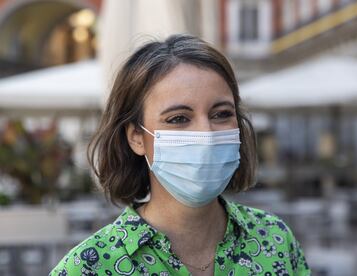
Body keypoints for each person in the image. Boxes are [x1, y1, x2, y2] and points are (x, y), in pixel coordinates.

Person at [50, 34, 310, 276]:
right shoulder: (88, 267)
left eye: (221, 114)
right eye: (178, 119)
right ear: (136, 137)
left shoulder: (275, 239)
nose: (206, 134)